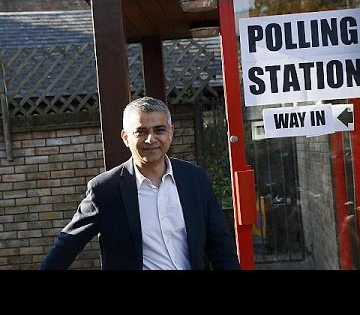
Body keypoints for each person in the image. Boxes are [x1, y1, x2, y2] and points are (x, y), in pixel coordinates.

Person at [40, 96, 241, 270]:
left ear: (171, 132)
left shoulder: (195, 180)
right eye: (141, 132)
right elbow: (67, 245)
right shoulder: (105, 190)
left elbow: (220, 245)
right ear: (126, 138)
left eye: (159, 130)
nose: (150, 139)